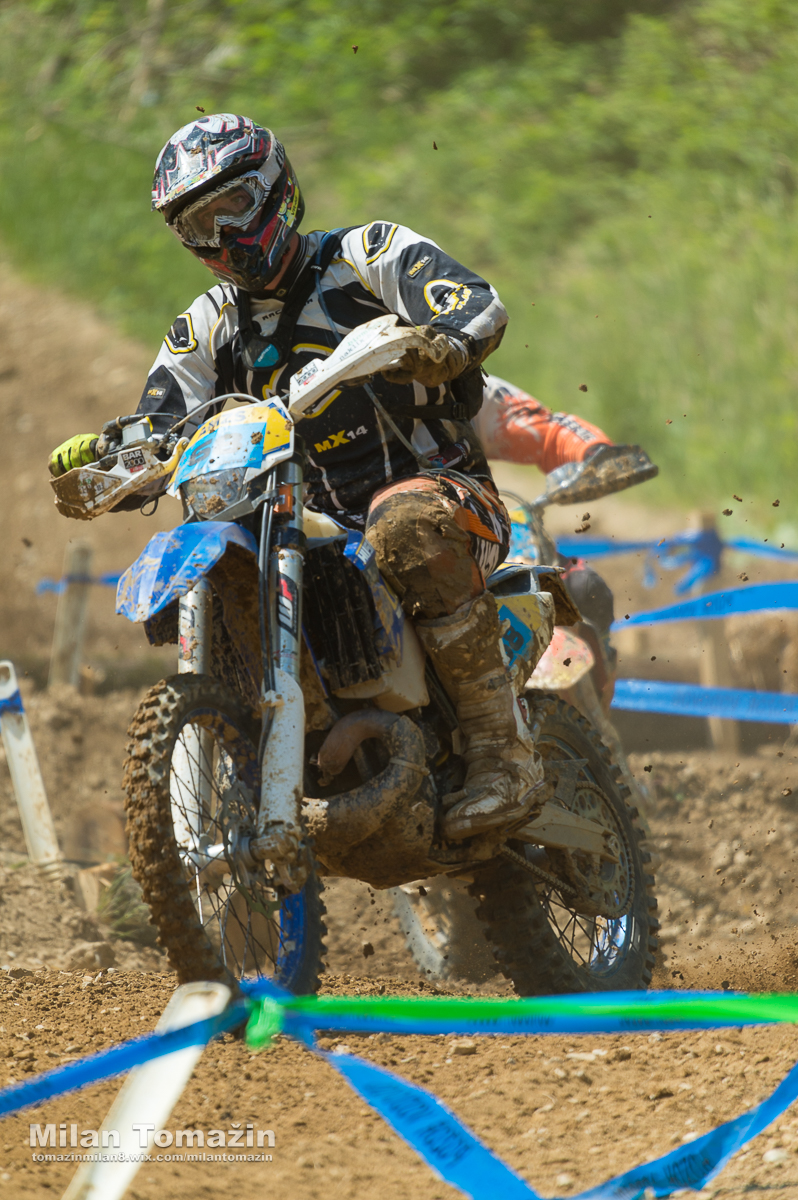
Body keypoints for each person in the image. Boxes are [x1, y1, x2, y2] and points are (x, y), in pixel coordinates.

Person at [47, 113, 537, 842]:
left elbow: (474, 302)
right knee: (225, 555)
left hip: (446, 497)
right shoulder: (207, 327)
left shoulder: (366, 256)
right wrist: (110, 459)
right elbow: (160, 426)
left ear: (276, 189)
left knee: (403, 522)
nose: (221, 236)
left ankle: (502, 754)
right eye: (198, 225)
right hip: (304, 525)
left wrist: (441, 344)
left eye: (233, 206)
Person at [475, 375, 619, 706]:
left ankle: (595, 719)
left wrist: (590, 451)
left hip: (481, 527)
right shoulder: (355, 393)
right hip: (386, 555)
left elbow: (544, 429)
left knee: (583, 586)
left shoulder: (446, 379)